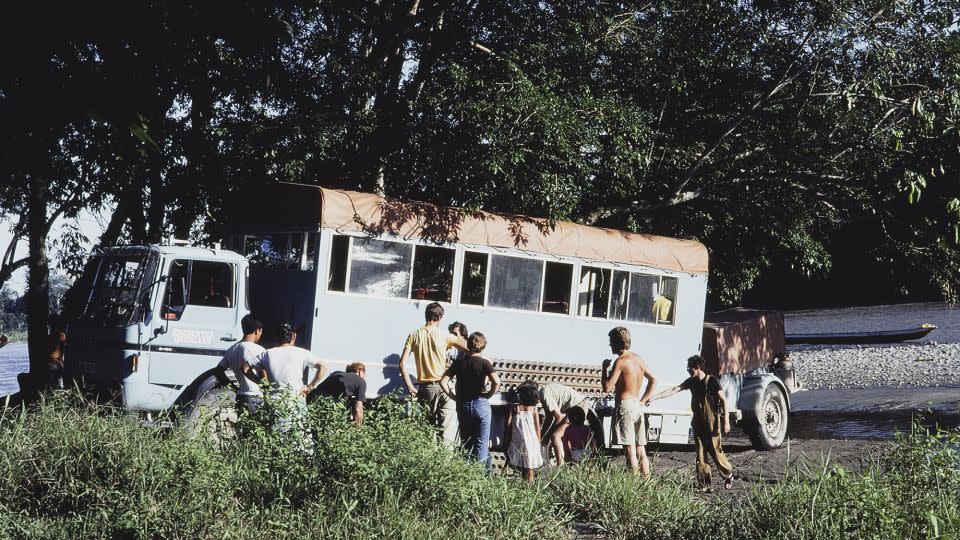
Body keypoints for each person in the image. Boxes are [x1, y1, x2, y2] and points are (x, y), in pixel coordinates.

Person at [648, 355, 734, 490]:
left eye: (690, 369)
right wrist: (654, 397)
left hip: (712, 421)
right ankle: (705, 485)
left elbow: (723, 400)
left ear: (698, 367)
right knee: (700, 453)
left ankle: (728, 474)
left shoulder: (712, 381)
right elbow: (674, 390)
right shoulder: (691, 381)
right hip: (698, 420)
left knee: (716, 452)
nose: (688, 371)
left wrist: (726, 422)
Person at [399, 302, 468, 444]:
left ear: (426, 315)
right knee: (447, 432)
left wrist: (410, 386)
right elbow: (469, 348)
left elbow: (402, 364)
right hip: (444, 387)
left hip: (425, 388)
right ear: (440, 317)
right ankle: (445, 464)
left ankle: (429, 463)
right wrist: (457, 335)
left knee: (427, 432)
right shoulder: (445, 335)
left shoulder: (414, 335)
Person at [602, 326, 657, 477]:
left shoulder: (620, 361)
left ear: (616, 342)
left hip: (625, 406)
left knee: (630, 449)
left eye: (610, 342)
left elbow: (607, 387)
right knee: (641, 448)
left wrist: (604, 369)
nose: (609, 345)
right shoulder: (638, 359)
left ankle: (633, 483)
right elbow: (653, 379)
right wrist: (643, 400)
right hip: (636, 405)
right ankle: (646, 483)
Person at [440, 331, 500, 467]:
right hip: (480, 403)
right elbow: (497, 382)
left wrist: (453, 397)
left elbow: (443, 382)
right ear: (483, 346)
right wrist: (489, 395)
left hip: (463, 405)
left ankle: (467, 475)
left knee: (466, 443)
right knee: (481, 444)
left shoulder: (458, 363)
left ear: (468, 345)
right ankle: (481, 479)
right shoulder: (484, 363)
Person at [257, 322, 327, 432]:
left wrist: (261, 383)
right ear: (294, 336)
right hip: (296, 400)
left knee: (276, 438)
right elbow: (323, 366)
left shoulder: (266, 353)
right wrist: (310, 387)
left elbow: (245, 368)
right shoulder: (302, 352)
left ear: (277, 336)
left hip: (275, 402)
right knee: (300, 439)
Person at [538, 382, 603, 466]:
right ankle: (567, 462)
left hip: (577, 409)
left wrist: (547, 436)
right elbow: (549, 418)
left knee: (555, 436)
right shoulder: (543, 393)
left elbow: (558, 417)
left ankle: (560, 466)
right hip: (572, 409)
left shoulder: (544, 393)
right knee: (557, 435)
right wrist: (542, 437)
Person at [213, 314, 266, 416]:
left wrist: (233, 388)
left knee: (243, 431)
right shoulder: (259, 350)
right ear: (257, 331)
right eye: (260, 331)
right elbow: (265, 375)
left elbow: (218, 371)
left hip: (241, 396)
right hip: (256, 397)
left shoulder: (232, 349)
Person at [504, 382, 543, 482]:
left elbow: (508, 425)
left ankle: (523, 483)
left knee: (521, 464)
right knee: (529, 466)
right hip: (531, 441)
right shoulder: (534, 409)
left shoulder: (514, 408)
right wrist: (538, 441)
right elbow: (537, 427)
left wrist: (507, 439)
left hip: (518, 440)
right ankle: (529, 484)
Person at [313, 362, 368, 427]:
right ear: (361, 371)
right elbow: (358, 409)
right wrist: (358, 428)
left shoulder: (336, 373)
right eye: (365, 374)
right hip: (331, 404)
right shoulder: (361, 381)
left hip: (315, 398)